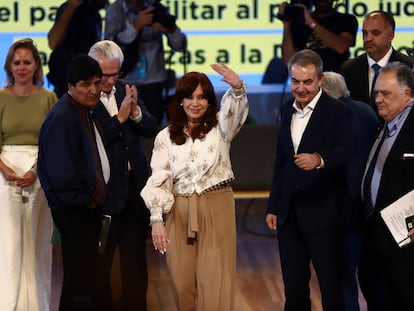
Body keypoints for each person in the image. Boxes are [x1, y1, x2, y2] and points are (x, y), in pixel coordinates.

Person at [140, 64, 248, 311]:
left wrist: (238, 88)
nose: (195, 103)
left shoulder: (221, 128)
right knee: (182, 283)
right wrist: (156, 219)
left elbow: (236, 112)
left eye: (201, 97)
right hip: (179, 210)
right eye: (189, 96)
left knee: (215, 282)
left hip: (216, 205)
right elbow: (160, 176)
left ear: (210, 102)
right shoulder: (165, 137)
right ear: (180, 101)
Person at [265, 49, 353, 311]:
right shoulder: (286, 110)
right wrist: (273, 206)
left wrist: (319, 159)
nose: (300, 88)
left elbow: (346, 152)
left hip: (324, 213)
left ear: (320, 79)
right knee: (293, 287)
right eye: (295, 81)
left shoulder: (338, 111)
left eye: (307, 82)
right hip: (289, 214)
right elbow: (281, 162)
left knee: (330, 286)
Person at [38, 54, 115, 311]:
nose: (93, 90)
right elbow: (61, 177)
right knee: (80, 285)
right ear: (70, 85)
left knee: (79, 284)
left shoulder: (83, 110)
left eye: (96, 82)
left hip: (86, 211)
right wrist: (91, 201)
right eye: (85, 84)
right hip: (76, 213)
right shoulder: (63, 117)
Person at [88, 40, 158, 310]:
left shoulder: (126, 89)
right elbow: (94, 140)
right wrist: (120, 117)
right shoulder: (83, 96)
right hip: (104, 194)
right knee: (101, 263)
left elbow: (152, 127)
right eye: (104, 75)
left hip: (134, 191)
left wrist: (136, 111)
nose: (110, 80)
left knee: (135, 263)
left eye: (115, 73)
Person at [0, 38, 57, 311]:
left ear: (36, 66)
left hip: (39, 170)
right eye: (17, 62)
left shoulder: (48, 98)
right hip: (4, 172)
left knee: (38, 243)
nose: (22, 67)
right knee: (9, 243)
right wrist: (7, 170)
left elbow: (54, 140)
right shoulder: (0, 97)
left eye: (27, 62)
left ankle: (37, 305)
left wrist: (35, 170)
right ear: (10, 66)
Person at [321, 71, 379, 311]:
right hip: (369, 206)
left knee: (342, 279)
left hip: (340, 208)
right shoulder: (367, 112)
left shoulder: (329, 117)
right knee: (372, 279)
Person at [359, 62, 414, 310]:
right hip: (375, 241)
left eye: (386, 94)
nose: (378, 99)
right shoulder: (384, 124)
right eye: (377, 93)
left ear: (407, 94)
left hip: (405, 252)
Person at [105, 0, 187, 124]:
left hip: (152, 85)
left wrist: (171, 29)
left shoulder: (155, 8)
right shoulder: (115, 10)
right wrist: (135, 27)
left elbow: (180, 45)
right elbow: (109, 49)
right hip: (124, 84)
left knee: (153, 128)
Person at [340, 10, 414, 113]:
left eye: (375, 33)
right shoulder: (348, 68)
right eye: (365, 33)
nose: (368, 38)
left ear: (391, 36)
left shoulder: (409, 67)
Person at [47, 0, 108, 97]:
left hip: (87, 79)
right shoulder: (70, 8)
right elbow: (53, 42)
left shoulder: (95, 15)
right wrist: (71, 7)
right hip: (66, 82)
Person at [278, 0, 358, 72]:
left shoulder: (347, 20)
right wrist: (287, 23)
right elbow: (289, 60)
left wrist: (311, 23)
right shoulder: (300, 23)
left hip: (335, 79)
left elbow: (341, 47)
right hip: (307, 79)